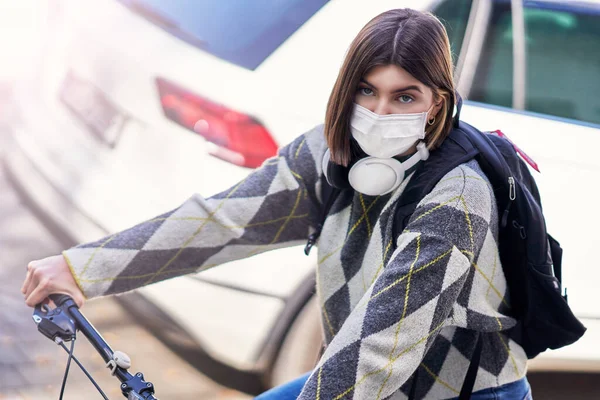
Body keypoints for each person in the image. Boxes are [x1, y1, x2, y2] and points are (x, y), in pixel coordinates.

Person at [22, 8, 533, 400]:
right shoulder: (328, 154)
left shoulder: (458, 198)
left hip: (462, 390)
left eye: (405, 96)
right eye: (366, 91)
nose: (379, 111)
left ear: (435, 103)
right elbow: (223, 222)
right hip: (358, 377)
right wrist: (81, 268)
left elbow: (380, 350)